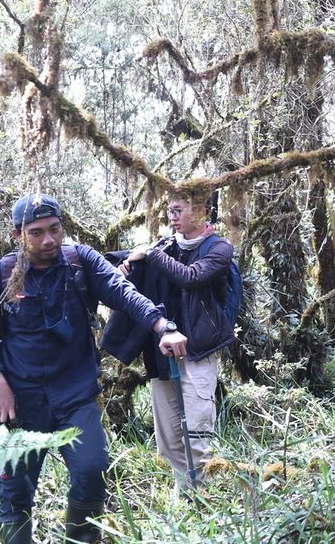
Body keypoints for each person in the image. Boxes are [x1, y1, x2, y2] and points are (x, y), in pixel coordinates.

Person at [0, 193, 187, 544]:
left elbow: (122, 292)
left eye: (54, 229)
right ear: (18, 235)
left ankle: (82, 539)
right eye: (36, 232)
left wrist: (162, 325)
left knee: (92, 471)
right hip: (20, 405)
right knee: (16, 496)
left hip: (75, 396)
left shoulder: (80, 262)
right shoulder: (0, 276)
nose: (48, 240)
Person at [113, 191, 236, 494]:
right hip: (161, 355)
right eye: (169, 211)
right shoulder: (166, 245)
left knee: (197, 437)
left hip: (198, 353)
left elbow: (191, 277)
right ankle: (187, 497)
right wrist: (128, 264)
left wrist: (150, 254)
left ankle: (206, 503)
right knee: (167, 442)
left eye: (179, 210)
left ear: (202, 210)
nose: (172, 217)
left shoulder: (219, 248)